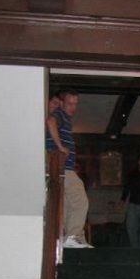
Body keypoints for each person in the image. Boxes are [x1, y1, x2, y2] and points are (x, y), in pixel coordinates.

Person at [46, 88, 93, 249]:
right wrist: (60, 147)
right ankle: (73, 236)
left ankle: (69, 238)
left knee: (67, 204)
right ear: (62, 103)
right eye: (69, 103)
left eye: (75, 104)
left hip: (61, 169)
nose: (73, 107)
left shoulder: (64, 117)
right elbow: (50, 122)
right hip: (64, 168)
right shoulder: (59, 115)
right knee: (80, 200)